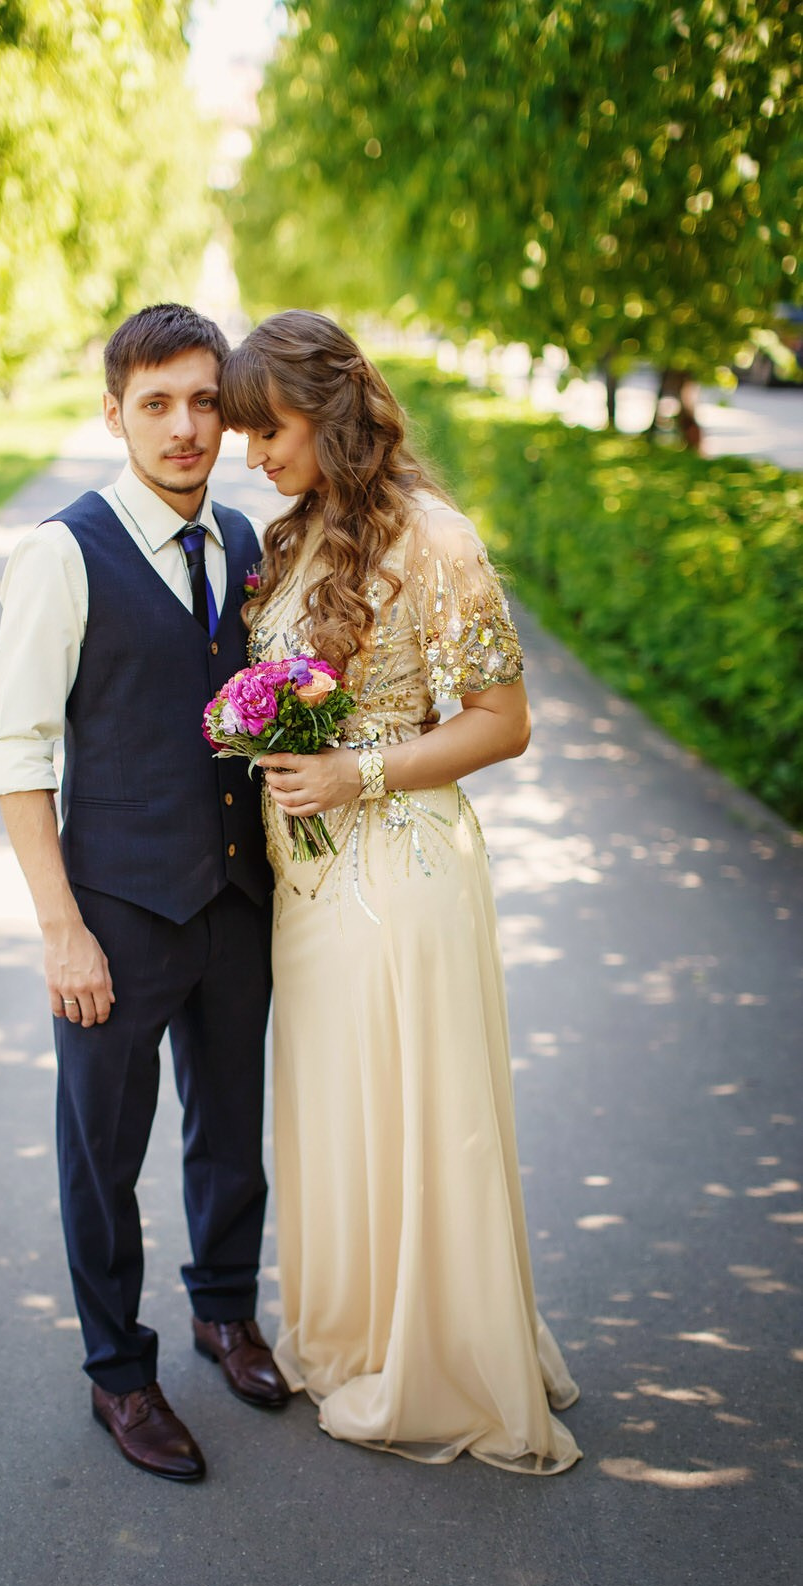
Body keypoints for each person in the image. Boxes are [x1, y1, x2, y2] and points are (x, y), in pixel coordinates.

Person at [218, 310, 581, 1473]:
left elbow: (503, 721)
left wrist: (354, 769)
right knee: (337, 1108)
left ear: (327, 412)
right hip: (309, 887)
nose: (251, 455)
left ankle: (436, 1352)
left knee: (414, 1106)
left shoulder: (434, 537)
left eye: (265, 430)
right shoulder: (291, 538)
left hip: (407, 870)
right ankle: (358, 1333)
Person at [0, 304, 288, 1485]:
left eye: (204, 401)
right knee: (101, 1157)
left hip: (236, 903)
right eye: (154, 402)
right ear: (112, 412)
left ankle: (224, 1312)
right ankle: (120, 1372)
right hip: (112, 916)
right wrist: (62, 930)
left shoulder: (247, 544)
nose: (183, 426)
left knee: (231, 1136)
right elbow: (17, 756)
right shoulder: (62, 553)